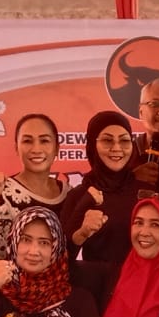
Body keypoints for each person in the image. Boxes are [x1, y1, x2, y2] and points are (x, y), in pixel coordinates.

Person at [0, 112, 68, 256]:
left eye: (44, 141)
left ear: (57, 148)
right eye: (27, 141)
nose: (36, 149)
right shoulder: (1, 192)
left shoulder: (69, 193)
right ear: (16, 148)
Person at [60, 111, 142, 265]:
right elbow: (62, 260)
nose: (117, 148)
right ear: (93, 145)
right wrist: (82, 233)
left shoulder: (144, 191)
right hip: (97, 279)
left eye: (124, 140)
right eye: (107, 140)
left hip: (142, 279)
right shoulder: (79, 195)